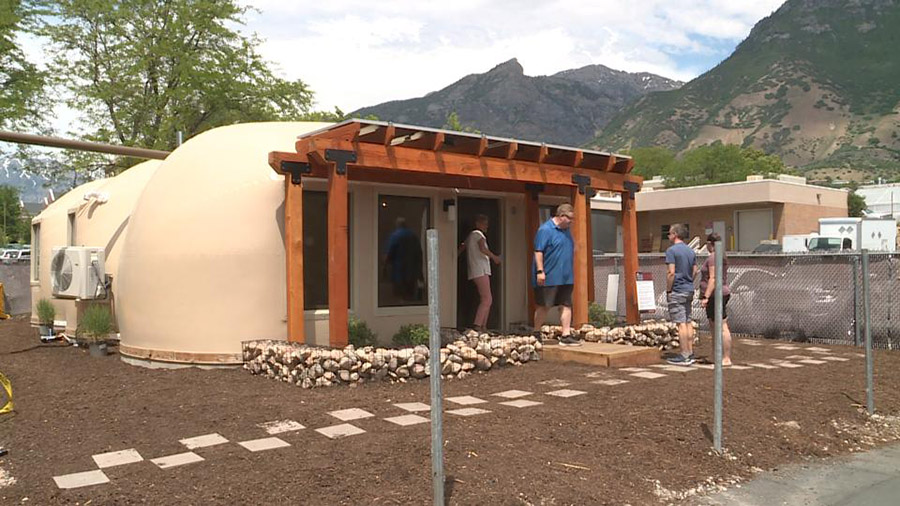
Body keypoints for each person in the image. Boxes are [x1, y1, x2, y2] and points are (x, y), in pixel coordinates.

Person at [533, 204, 579, 346]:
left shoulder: (566, 231)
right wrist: (540, 271)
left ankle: (566, 335)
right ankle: (536, 332)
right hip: (549, 276)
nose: (572, 221)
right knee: (544, 305)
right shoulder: (545, 230)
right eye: (570, 218)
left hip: (566, 276)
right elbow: (538, 251)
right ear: (561, 216)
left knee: (566, 305)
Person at [460, 214, 501, 331]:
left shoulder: (470, 236)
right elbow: (482, 248)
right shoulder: (478, 234)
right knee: (487, 298)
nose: (486, 227)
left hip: (475, 270)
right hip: (480, 269)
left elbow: (463, 246)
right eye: (484, 224)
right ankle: (478, 325)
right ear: (478, 224)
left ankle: (483, 326)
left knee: (486, 298)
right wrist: (494, 257)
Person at [665, 223, 698, 365]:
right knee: (688, 321)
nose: (668, 236)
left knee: (681, 324)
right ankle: (690, 352)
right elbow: (695, 270)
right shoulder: (690, 251)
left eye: (670, 233)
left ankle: (684, 354)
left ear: (675, 235)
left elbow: (671, 272)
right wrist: (689, 280)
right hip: (689, 289)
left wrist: (668, 290)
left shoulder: (671, 251)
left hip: (677, 290)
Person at [699, 232, 733, 366]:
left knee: (722, 325)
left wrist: (706, 296)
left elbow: (713, 278)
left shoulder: (713, 257)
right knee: (714, 326)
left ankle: (725, 358)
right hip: (716, 294)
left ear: (710, 243)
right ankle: (716, 356)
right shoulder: (718, 256)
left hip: (717, 295)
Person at [384, 217, 424, 302]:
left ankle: (401, 304)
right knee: (409, 293)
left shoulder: (395, 235)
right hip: (412, 270)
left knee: (400, 294)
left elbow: (390, 251)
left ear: (397, 225)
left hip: (399, 269)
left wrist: (385, 263)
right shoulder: (413, 236)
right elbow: (419, 252)